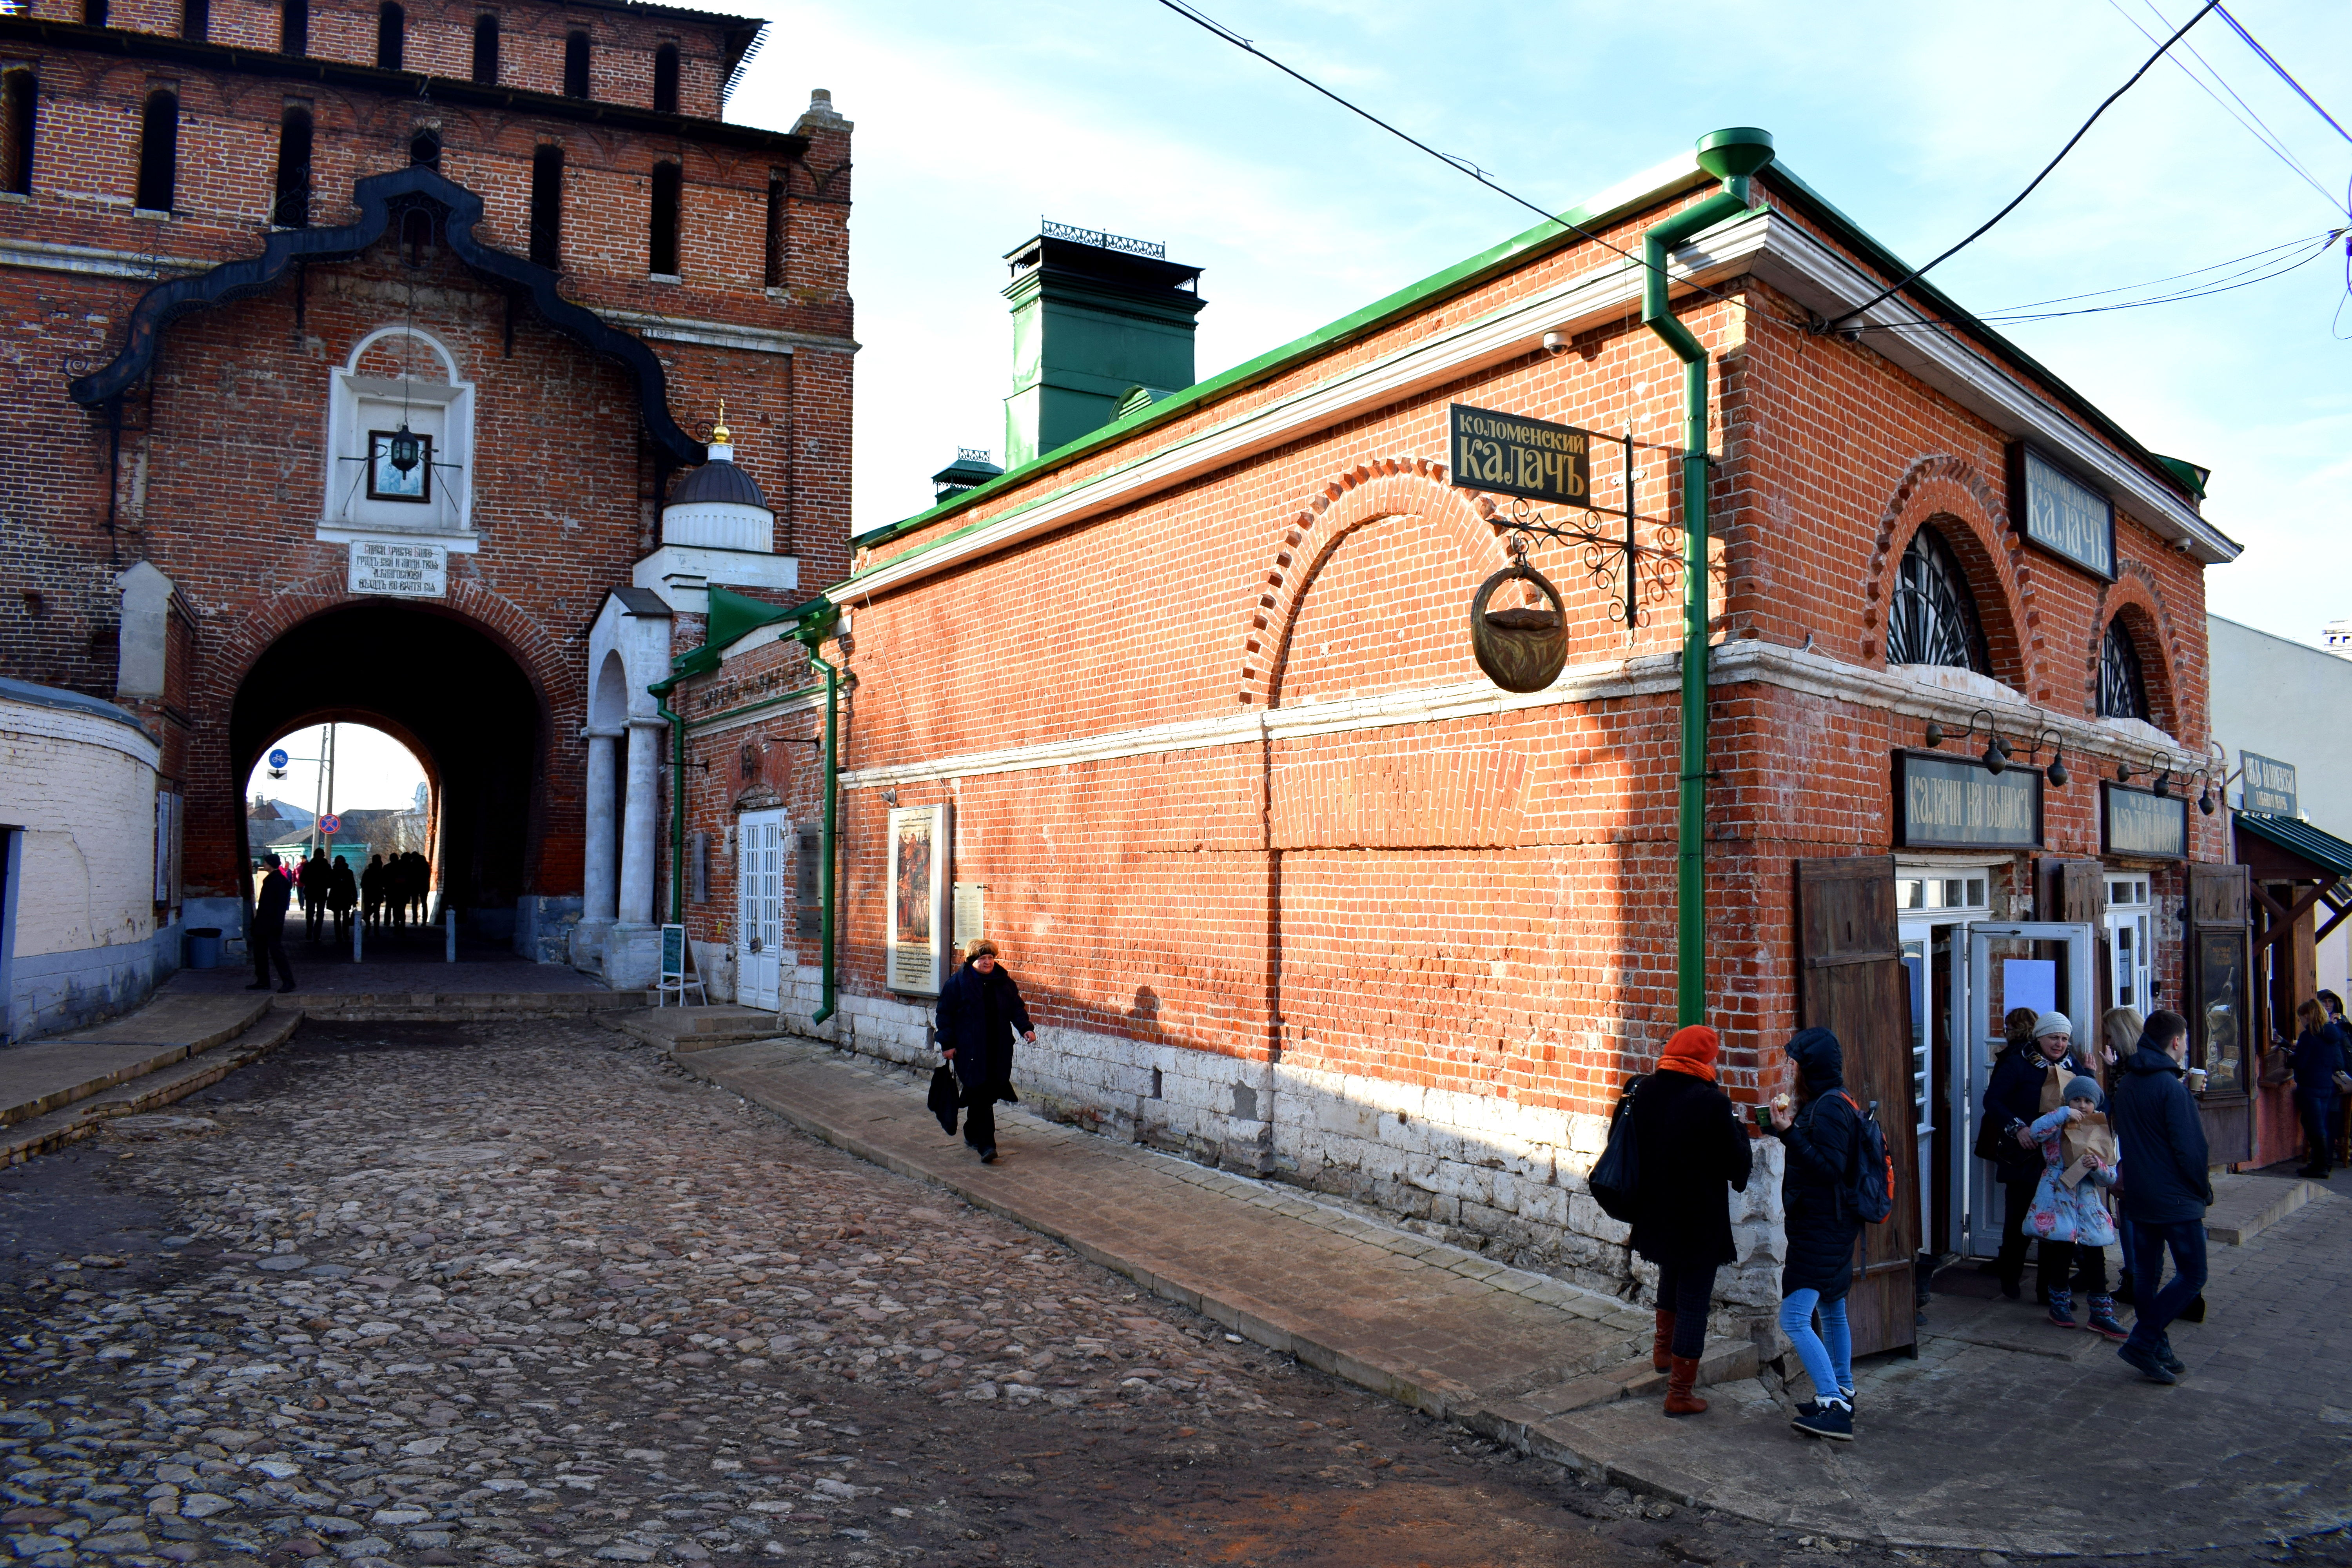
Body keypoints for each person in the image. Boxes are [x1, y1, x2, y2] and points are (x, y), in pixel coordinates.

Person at [1626, 1024, 1753, 1416]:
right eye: (1713, 1057)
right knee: (1695, 1299)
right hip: (1699, 1218)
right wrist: (1740, 1128)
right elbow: (1737, 1167)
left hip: (1658, 1212)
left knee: (1670, 1275)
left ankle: (1663, 1354)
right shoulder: (1711, 1103)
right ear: (1703, 1059)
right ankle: (1680, 1393)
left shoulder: (1645, 1090)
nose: (1716, 1063)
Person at [1764, 1027, 1863, 1442]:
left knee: (1794, 1317)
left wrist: (1789, 1134)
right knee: (1833, 1307)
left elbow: (1829, 1170)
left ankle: (1833, 1404)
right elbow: (1819, 1153)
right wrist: (1782, 1128)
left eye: (1797, 1064)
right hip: (1831, 1225)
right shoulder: (1829, 1102)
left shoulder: (1829, 1109)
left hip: (1821, 1228)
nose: (1792, 1070)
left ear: (1812, 1068)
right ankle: (1841, 1391)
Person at [2111, 1009, 2210, 1385]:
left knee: (2147, 1276)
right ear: (2176, 1042)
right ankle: (2144, 1341)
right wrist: (2202, 1189)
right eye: (2184, 1040)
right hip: (2174, 1197)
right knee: (2193, 1274)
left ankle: (2157, 1346)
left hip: (2140, 1193)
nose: (2185, 1046)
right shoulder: (2171, 1088)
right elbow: (2191, 1151)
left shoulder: (2130, 1083)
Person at [1984, 1010, 2086, 1302]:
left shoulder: (2071, 1063)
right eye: (2054, 1037)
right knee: (2019, 1221)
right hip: (2025, 1155)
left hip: (2058, 1158)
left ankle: (2049, 1290)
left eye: (2064, 1039)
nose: (2059, 1044)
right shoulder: (2018, 1062)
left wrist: (2090, 1076)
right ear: (2040, 1036)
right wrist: (2018, 1128)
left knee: (2056, 1227)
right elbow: (1993, 1100)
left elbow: (2087, 1095)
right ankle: (2010, 1278)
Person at [2021, 1075, 2126, 1339]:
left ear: (2096, 1105)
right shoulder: (2058, 1124)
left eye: (2087, 1101)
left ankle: (2101, 1314)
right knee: (2060, 1255)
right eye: (2076, 1100)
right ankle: (2059, 1305)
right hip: (2058, 1198)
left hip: (2088, 1204)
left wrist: (2097, 1167)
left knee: (2095, 1258)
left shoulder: (2101, 1130)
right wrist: (2061, 1114)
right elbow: (2035, 1132)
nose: (2082, 1105)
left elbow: (2111, 1177)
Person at [934, 939, 1034, 1163]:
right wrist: (947, 1044)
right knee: (980, 1090)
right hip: (969, 1049)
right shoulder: (957, 984)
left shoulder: (1004, 983)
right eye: (982, 958)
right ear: (971, 960)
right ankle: (987, 1144)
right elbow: (945, 1015)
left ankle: (971, 1131)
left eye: (990, 957)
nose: (988, 962)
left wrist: (1026, 1029)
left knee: (985, 1092)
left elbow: (1016, 1009)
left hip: (998, 1048)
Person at [2097, 1006, 2145, 1303]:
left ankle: (2136, 1278)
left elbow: (2114, 1108)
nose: (2108, 1040)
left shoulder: (2132, 1067)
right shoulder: (2141, 1062)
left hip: (2136, 1148)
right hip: (2137, 1146)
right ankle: (2138, 1276)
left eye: (2111, 1034)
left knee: (2129, 1211)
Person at [2289, 998, 2342, 1179]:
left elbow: (2301, 1063)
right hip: (2326, 1086)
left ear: (2308, 1015)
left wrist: (2290, 1059)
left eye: (2301, 1017)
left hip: (2310, 1086)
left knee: (2314, 1126)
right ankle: (2324, 1164)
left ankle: (2319, 1167)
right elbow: (2338, 1062)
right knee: (2322, 1125)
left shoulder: (2308, 1035)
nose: (2301, 1021)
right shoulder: (2332, 1034)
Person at [247, 856, 297, 994]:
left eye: (265, 862)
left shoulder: (277, 881)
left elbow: (279, 906)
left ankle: (288, 982)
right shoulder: (274, 879)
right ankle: (263, 981)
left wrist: (278, 923)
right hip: (264, 923)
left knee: (276, 953)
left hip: (271, 923)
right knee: (260, 952)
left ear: (270, 865)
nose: (263, 864)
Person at [299, 849, 329, 942]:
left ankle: (314, 933)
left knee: (315, 915)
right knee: (314, 915)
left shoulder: (310, 866)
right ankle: (313, 933)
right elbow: (303, 878)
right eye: (318, 855)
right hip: (316, 893)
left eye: (320, 855)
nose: (319, 857)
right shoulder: (325, 866)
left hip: (314, 893)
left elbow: (302, 878)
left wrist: (311, 883)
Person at [328, 855, 357, 940]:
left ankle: (344, 934)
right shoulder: (336, 872)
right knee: (338, 917)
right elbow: (329, 883)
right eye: (339, 862)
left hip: (344, 897)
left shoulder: (347, 872)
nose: (340, 863)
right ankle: (340, 935)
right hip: (339, 897)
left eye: (341, 862)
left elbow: (353, 886)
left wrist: (354, 898)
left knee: (345, 917)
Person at [361, 853, 385, 930]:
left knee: (368, 909)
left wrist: (365, 889)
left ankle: (368, 923)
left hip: (369, 893)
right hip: (378, 893)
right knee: (377, 911)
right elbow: (384, 882)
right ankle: (376, 928)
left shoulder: (368, 871)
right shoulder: (381, 871)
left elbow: (363, 883)